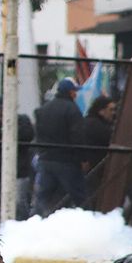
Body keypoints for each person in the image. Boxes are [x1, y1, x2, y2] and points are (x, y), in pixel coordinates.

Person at [33, 77, 86, 216]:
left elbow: (38, 135)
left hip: (45, 160)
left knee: (43, 196)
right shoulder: (73, 110)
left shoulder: (43, 110)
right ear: (70, 92)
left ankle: (36, 222)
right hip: (66, 161)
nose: (76, 94)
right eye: (75, 91)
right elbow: (77, 138)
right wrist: (82, 159)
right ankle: (88, 224)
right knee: (79, 196)